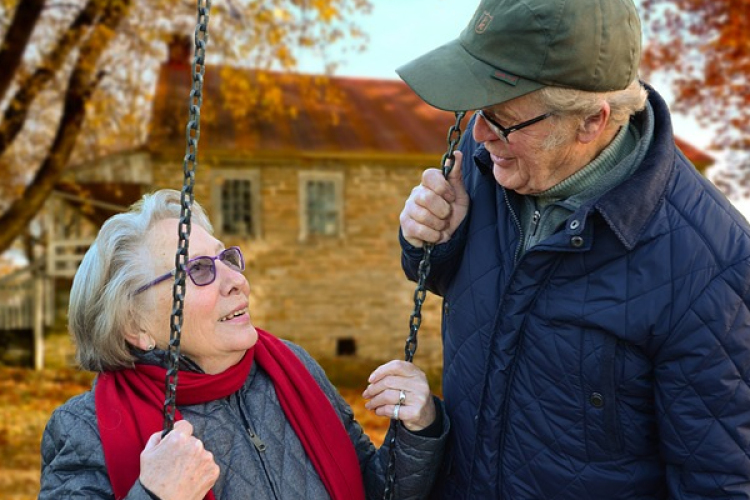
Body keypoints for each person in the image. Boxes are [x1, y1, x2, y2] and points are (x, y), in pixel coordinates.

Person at [396, 0, 750, 498]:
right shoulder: (488, 162)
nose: (479, 134)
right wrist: (430, 242)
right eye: (479, 110)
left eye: (502, 120)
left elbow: (719, 482)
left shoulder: (714, 268)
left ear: (591, 122)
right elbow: (459, 284)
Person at [40, 189, 448, 500]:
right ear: (135, 325)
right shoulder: (84, 428)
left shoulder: (292, 369)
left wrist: (416, 429)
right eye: (198, 270)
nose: (235, 280)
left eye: (227, 259)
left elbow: (373, 490)